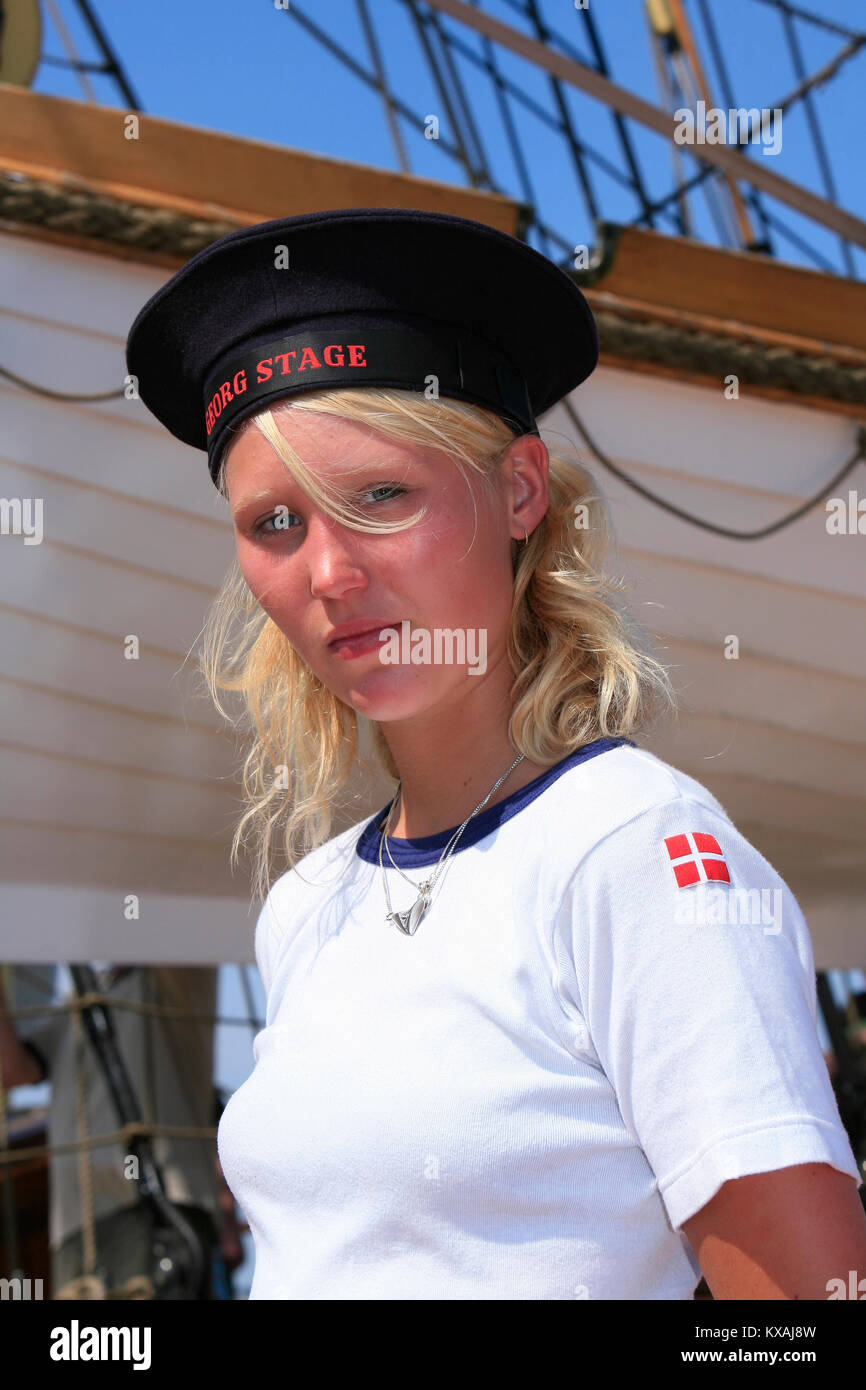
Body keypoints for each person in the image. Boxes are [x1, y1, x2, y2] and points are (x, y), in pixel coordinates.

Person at [125, 206, 866, 1300]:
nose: (326, 573)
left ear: (519, 490)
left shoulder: (633, 852)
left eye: (379, 496)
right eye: (276, 524)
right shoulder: (306, 909)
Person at [1, 964, 241, 1298]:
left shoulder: (173, 975)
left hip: (154, 1211)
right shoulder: (77, 1004)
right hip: (75, 1228)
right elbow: (12, 1069)